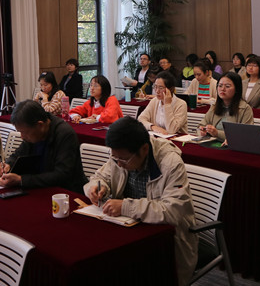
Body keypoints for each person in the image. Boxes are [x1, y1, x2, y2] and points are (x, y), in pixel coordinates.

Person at [83, 117, 198, 286]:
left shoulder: (170, 163)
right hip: (130, 231)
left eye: (123, 160)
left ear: (144, 149)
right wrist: (96, 187)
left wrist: (126, 207)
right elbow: (100, 177)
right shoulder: (120, 156)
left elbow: (173, 211)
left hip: (166, 241)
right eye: (115, 159)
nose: (119, 164)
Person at [0, 100, 87, 193]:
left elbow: (62, 175)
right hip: (40, 188)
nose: (22, 137)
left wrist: (22, 180)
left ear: (40, 125)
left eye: (24, 132)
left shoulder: (65, 134)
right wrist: (7, 165)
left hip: (67, 192)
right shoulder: (33, 133)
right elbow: (18, 154)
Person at [198, 72, 254, 141]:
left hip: (233, 146)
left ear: (237, 89)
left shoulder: (245, 109)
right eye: (220, 86)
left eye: (227, 86)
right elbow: (202, 124)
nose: (222, 89)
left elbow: (245, 136)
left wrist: (217, 133)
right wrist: (202, 130)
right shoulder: (214, 106)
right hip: (211, 143)